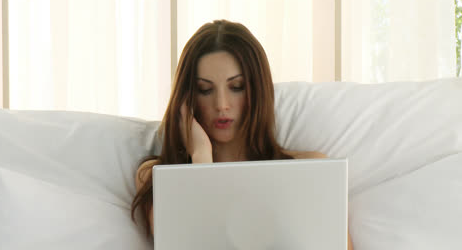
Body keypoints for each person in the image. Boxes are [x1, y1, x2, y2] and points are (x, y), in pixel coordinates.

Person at [131, 19, 354, 249]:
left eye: (236, 87)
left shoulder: (313, 170)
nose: (222, 104)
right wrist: (200, 159)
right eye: (205, 90)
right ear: (187, 99)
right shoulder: (155, 177)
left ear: (257, 91)